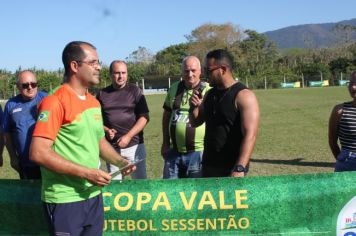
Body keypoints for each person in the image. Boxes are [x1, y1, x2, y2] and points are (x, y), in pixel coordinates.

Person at [30, 41, 135, 236]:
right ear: (75, 66)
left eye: (98, 62)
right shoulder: (54, 102)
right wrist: (87, 173)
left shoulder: (93, 102)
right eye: (93, 62)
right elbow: (38, 153)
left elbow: (98, 140)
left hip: (93, 196)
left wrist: (120, 161)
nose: (99, 67)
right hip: (65, 199)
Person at [190, 49, 260, 177]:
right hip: (208, 165)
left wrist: (240, 167)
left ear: (222, 69)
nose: (205, 75)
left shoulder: (244, 95)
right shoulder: (209, 94)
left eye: (209, 70)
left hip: (231, 168)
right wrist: (193, 106)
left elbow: (250, 135)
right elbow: (195, 122)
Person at [97, 60, 149, 180]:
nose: (121, 76)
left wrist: (128, 136)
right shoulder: (102, 94)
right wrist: (106, 130)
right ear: (110, 74)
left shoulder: (135, 91)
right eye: (117, 73)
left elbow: (144, 118)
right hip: (112, 149)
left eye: (123, 73)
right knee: (117, 187)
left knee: (141, 185)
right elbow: (96, 120)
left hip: (135, 147)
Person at [161, 56, 210, 178]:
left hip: (198, 153)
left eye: (193, 70)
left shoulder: (209, 90)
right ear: (181, 72)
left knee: (194, 193)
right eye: (186, 71)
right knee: (170, 192)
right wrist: (166, 142)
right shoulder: (174, 88)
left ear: (200, 71)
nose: (190, 74)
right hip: (173, 151)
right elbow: (166, 116)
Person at [2, 70, 47, 179]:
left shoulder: (47, 99)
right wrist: (13, 157)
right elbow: (6, 133)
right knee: (29, 194)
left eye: (33, 84)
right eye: (25, 85)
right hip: (25, 163)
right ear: (18, 86)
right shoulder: (11, 105)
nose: (30, 87)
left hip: (47, 163)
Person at [329, 71, 356, 172]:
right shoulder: (339, 110)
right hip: (347, 162)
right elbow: (332, 141)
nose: (353, 87)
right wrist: (342, 160)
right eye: (351, 83)